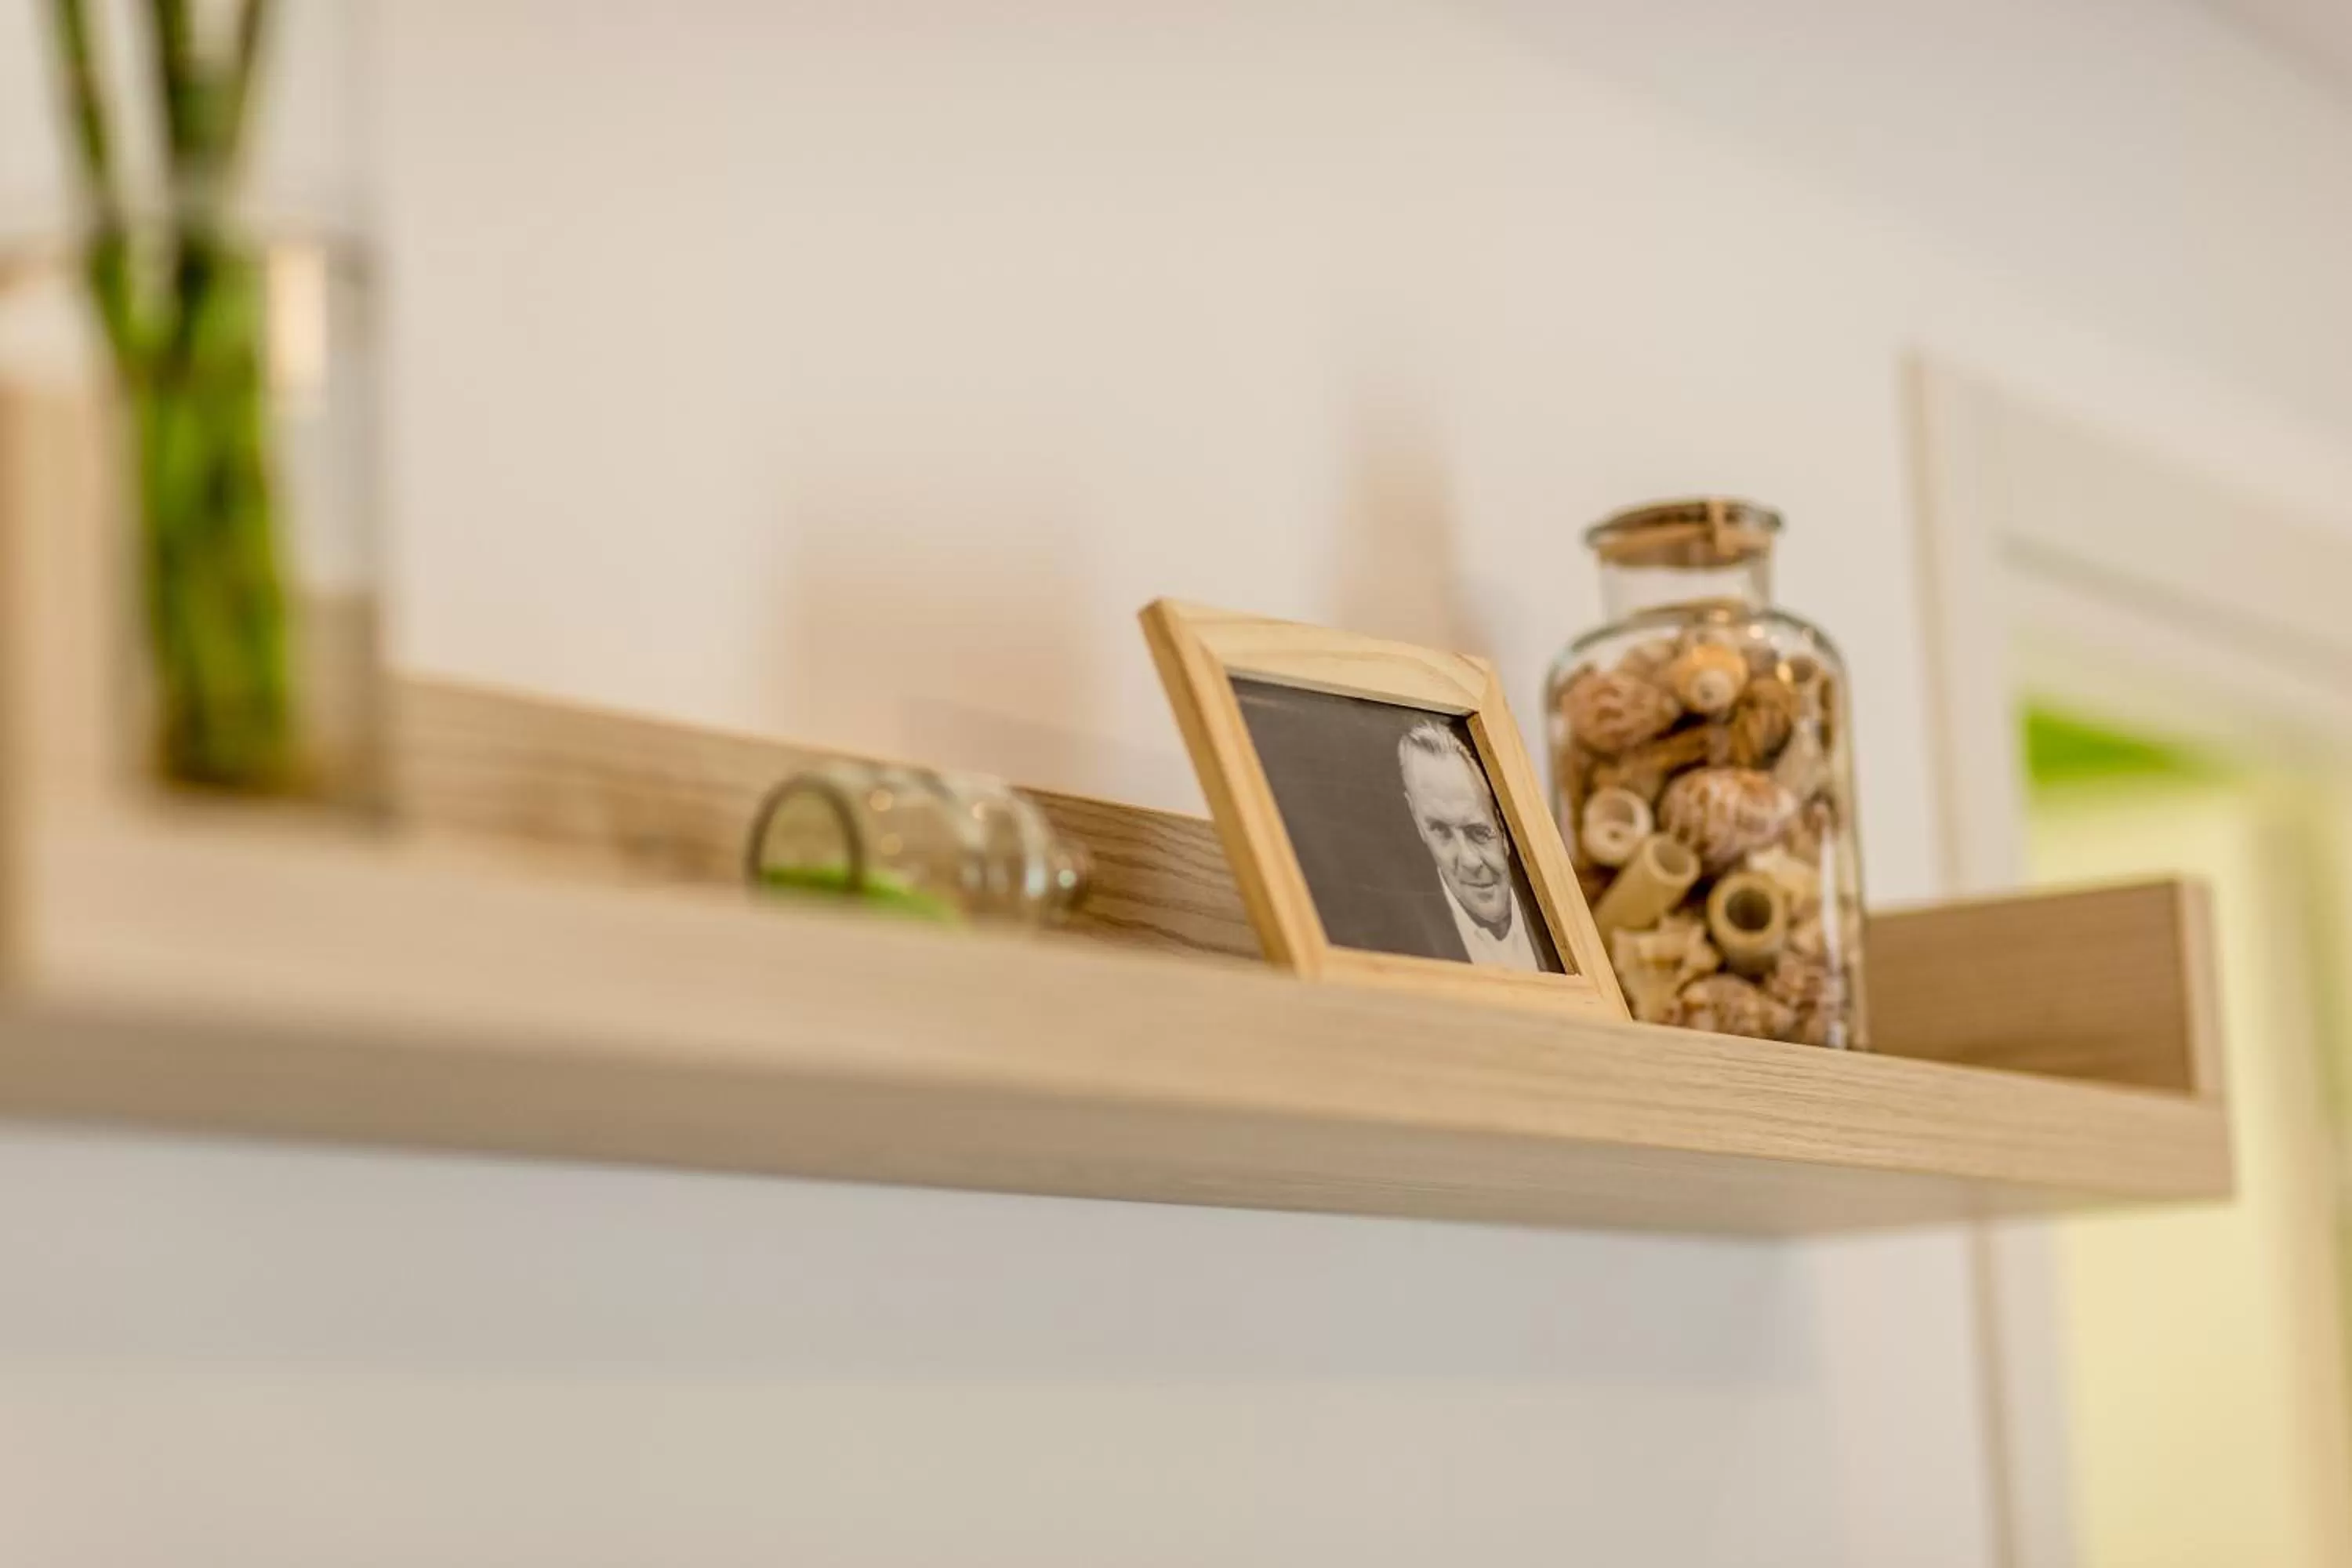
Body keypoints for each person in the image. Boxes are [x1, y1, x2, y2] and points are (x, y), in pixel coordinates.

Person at [1395, 722, 1543, 971]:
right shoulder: (1400, 941)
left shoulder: (1555, 917)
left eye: (1478, 832)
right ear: (1416, 819)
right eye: (1442, 832)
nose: (1469, 861)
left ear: (1504, 825)